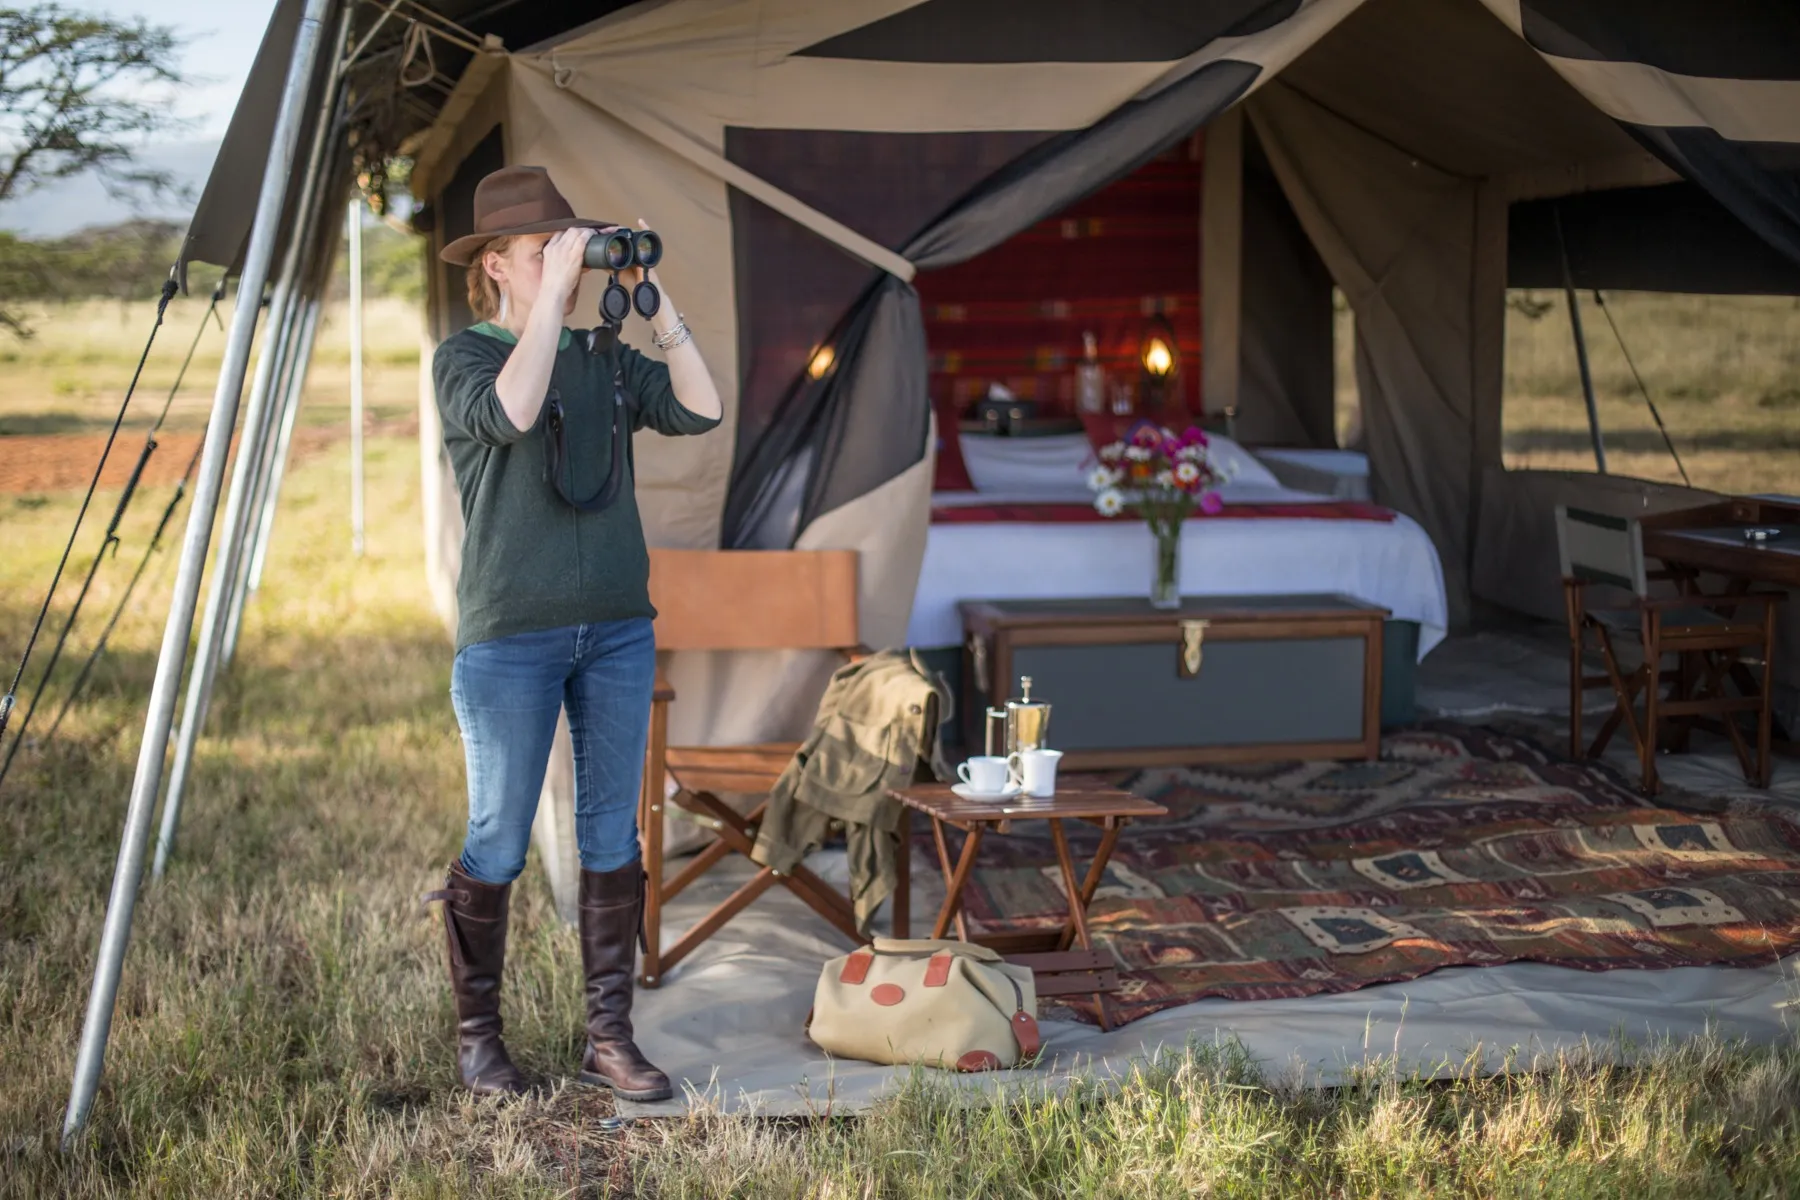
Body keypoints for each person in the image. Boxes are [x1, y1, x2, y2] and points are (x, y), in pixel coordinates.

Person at [423, 165, 721, 1101]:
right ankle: (480, 1040)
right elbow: (513, 411)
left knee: (609, 833)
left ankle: (609, 1039)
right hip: (511, 634)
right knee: (501, 838)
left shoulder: (602, 354)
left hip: (618, 632)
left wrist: (656, 305)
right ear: (499, 269)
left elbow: (701, 407)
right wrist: (553, 300)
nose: (565, 262)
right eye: (542, 252)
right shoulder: (463, 359)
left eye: (571, 247)